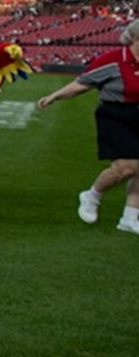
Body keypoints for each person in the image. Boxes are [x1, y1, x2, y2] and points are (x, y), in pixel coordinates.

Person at [36, 19, 139, 234]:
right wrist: (55, 96)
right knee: (127, 167)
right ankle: (92, 195)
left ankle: (130, 218)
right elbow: (82, 84)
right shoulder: (113, 61)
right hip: (115, 116)